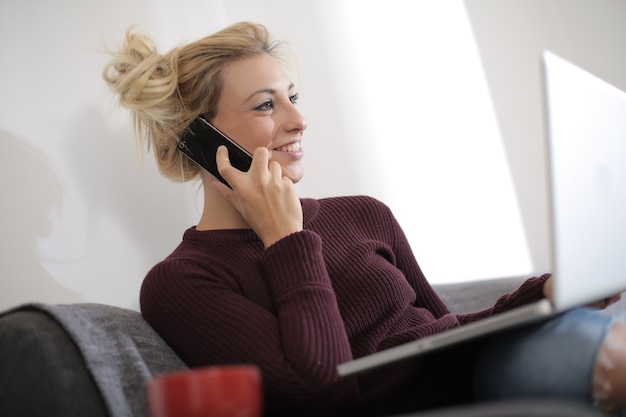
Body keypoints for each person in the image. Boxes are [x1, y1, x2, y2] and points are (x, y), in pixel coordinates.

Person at [103, 21, 626, 417]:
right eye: (267, 105)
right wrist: (286, 238)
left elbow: (444, 335)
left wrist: (544, 295)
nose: (298, 120)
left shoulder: (364, 214)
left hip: (491, 362)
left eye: (293, 97)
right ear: (200, 139)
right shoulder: (183, 282)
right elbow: (322, 394)